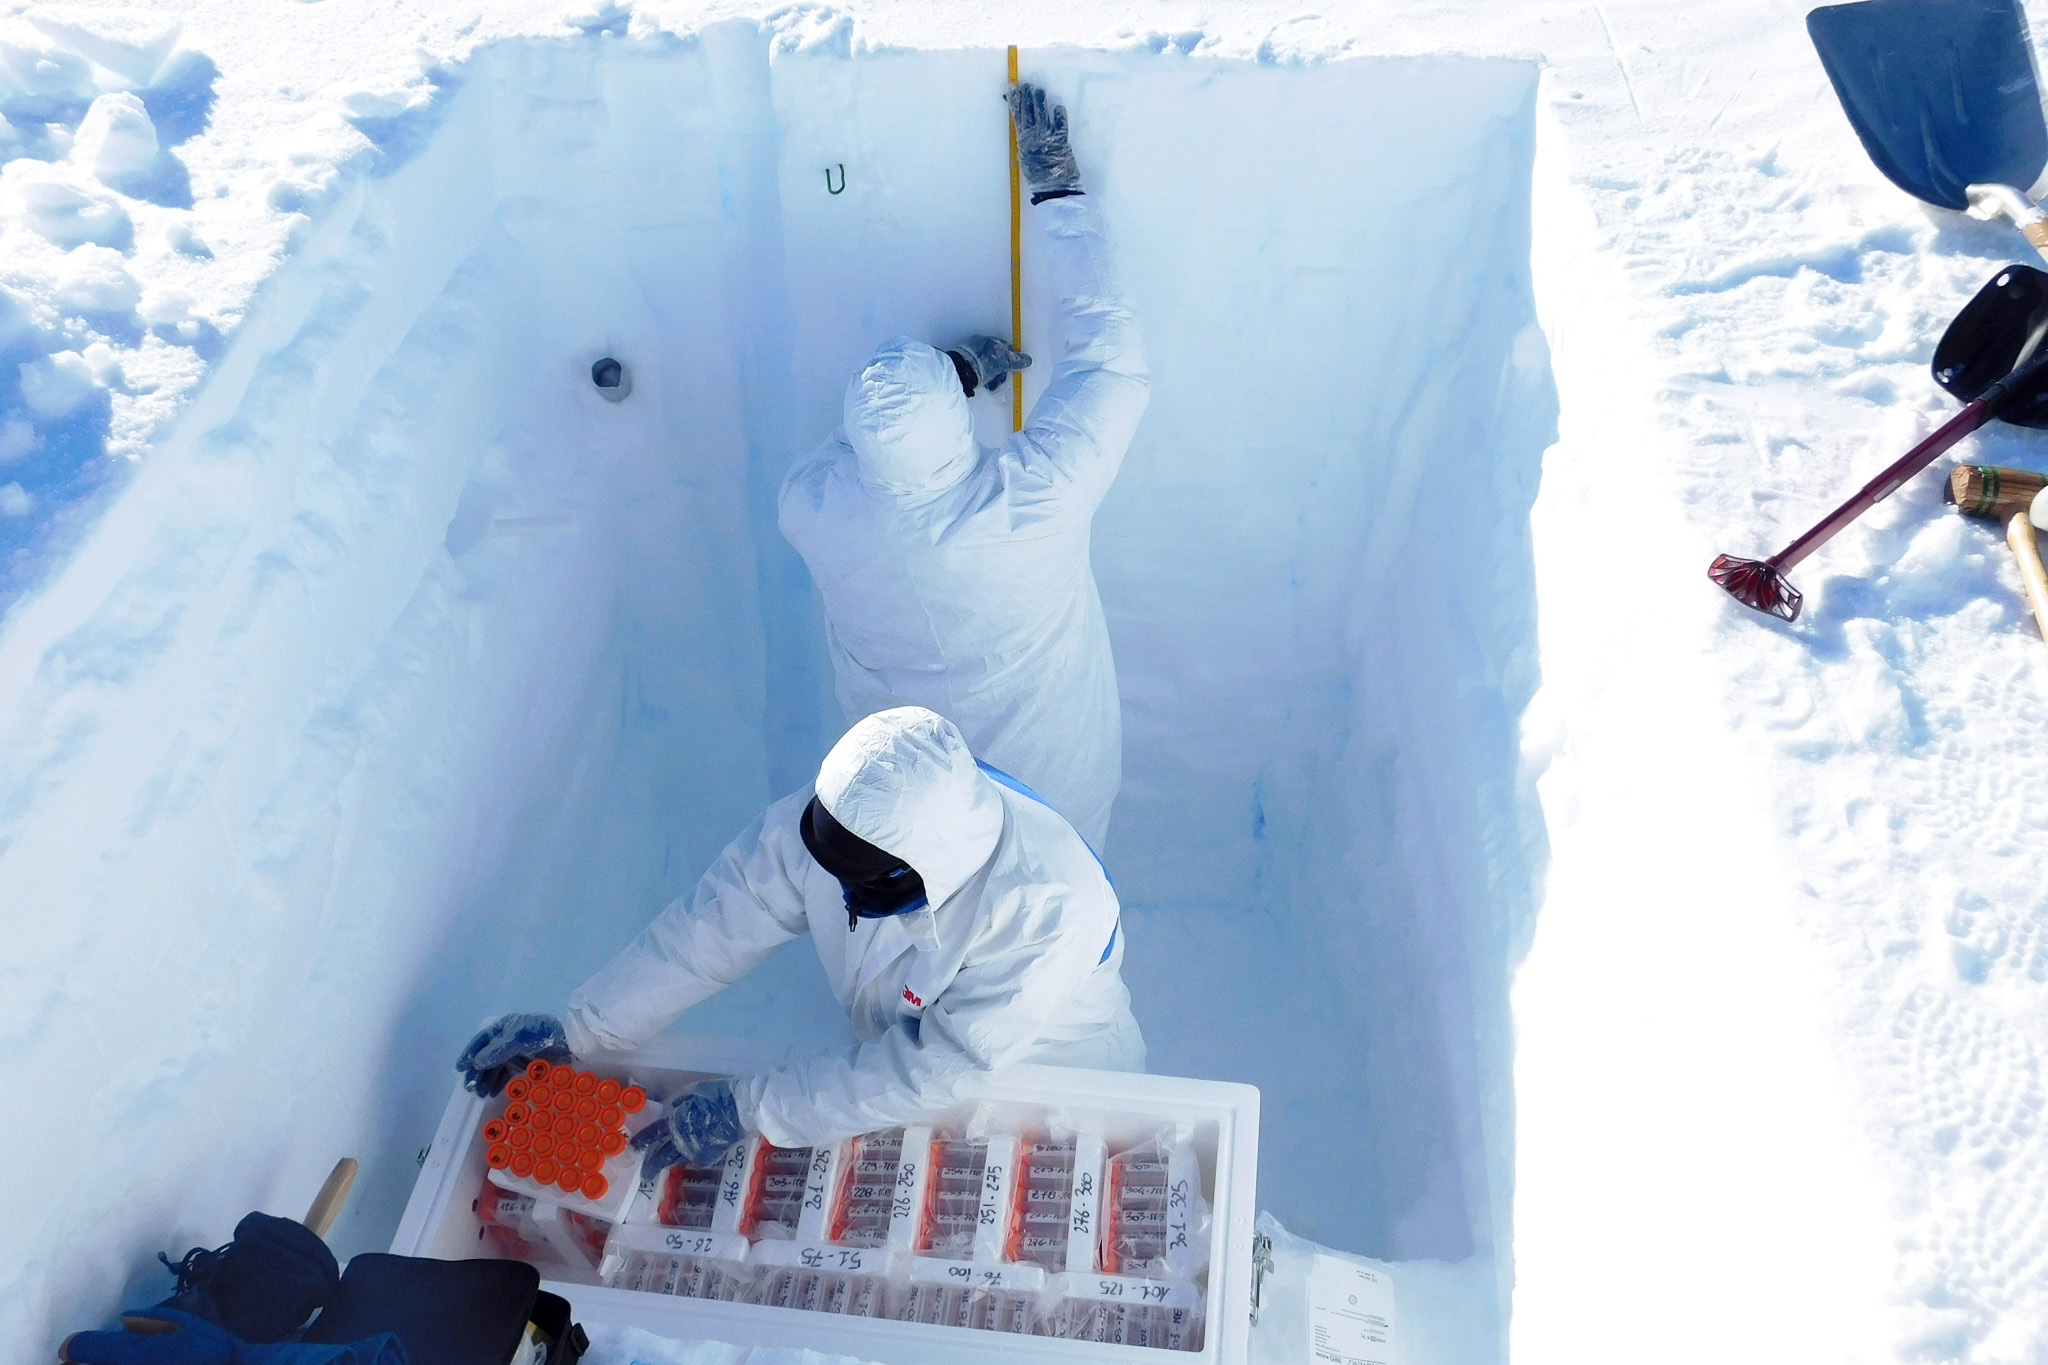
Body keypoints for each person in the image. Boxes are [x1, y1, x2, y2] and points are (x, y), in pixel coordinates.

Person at [456, 707, 1145, 1175]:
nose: (844, 900)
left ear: (922, 871)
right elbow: (715, 924)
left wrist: (755, 1107)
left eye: (864, 888)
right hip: (910, 1051)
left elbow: (939, 1066)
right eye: (833, 875)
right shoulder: (845, 818)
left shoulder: (1046, 911)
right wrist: (583, 1027)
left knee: (1031, 1193)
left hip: (1050, 1065)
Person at [777, 82, 1148, 851]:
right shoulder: (1032, 502)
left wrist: (957, 372)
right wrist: (1059, 192)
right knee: (1069, 922)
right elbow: (1110, 364)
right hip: (1056, 801)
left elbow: (862, 447)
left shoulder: (814, 510)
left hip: (907, 822)